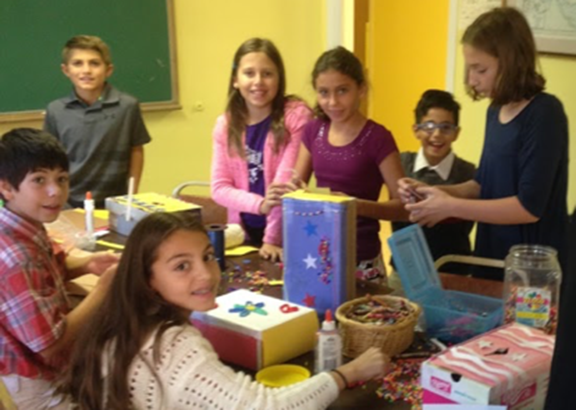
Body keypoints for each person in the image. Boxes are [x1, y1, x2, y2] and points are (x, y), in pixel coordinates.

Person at [58, 212, 389, 409]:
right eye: (181, 266)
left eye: (206, 256)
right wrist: (348, 373)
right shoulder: (174, 346)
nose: (205, 274)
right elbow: (272, 407)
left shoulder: (118, 321)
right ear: (148, 279)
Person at [399, 7, 569, 280]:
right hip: (492, 256)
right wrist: (433, 191)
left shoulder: (545, 114)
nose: (471, 80)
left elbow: (528, 208)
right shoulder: (495, 110)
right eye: (469, 69)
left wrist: (450, 207)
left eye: (480, 69)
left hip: (531, 269)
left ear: (511, 63)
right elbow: (481, 185)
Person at [0, 128, 118, 409]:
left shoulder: (20, 227)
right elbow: (49, 344)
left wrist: (87, 263)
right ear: (6, 187)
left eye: (62, 179)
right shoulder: (17, 255)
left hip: (40, 368)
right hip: (36, 385)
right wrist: (103, 291)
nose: (56, 192)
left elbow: (42, 275)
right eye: (39, 180)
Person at [291, 46, 405, 283]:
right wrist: (287, 192)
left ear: (361, 89)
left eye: (342, 91)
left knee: (360, 318)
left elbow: (403, 209)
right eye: (324, 92)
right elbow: (297, 187)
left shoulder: (378, 137)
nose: (332, 102)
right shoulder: (313, 131)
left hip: (361, 258)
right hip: (317, 252)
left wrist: (354, 206)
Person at [44, 35, 152, 209]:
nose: (86, 70)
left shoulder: (127, 106)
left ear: (108, 70)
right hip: (69, 202)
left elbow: (136, 150)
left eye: (94, 63)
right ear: (66, 70)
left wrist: (132, 195)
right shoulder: (56, 110)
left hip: (115, 201)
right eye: (77, 63)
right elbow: (49, 160)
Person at [392, 90, 476, 275]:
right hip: (404, 270)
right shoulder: (399, 164)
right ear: (416, 130)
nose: (437, 134)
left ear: (456, 133)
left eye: (446, 127)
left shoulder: (470, 174)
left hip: (453, 271)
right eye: (429, 126)